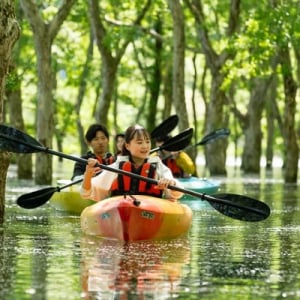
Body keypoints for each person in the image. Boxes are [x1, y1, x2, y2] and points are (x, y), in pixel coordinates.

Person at [80, 124, 183, 202]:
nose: (145, 146)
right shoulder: (117, 167)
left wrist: (170, 183)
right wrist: (88, 174)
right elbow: (86, 193)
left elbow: (178, 193)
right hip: (121, 209)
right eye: (139, 142)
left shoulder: (157, 165)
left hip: (152, 212)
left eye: (147, 141)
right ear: (128, 146)